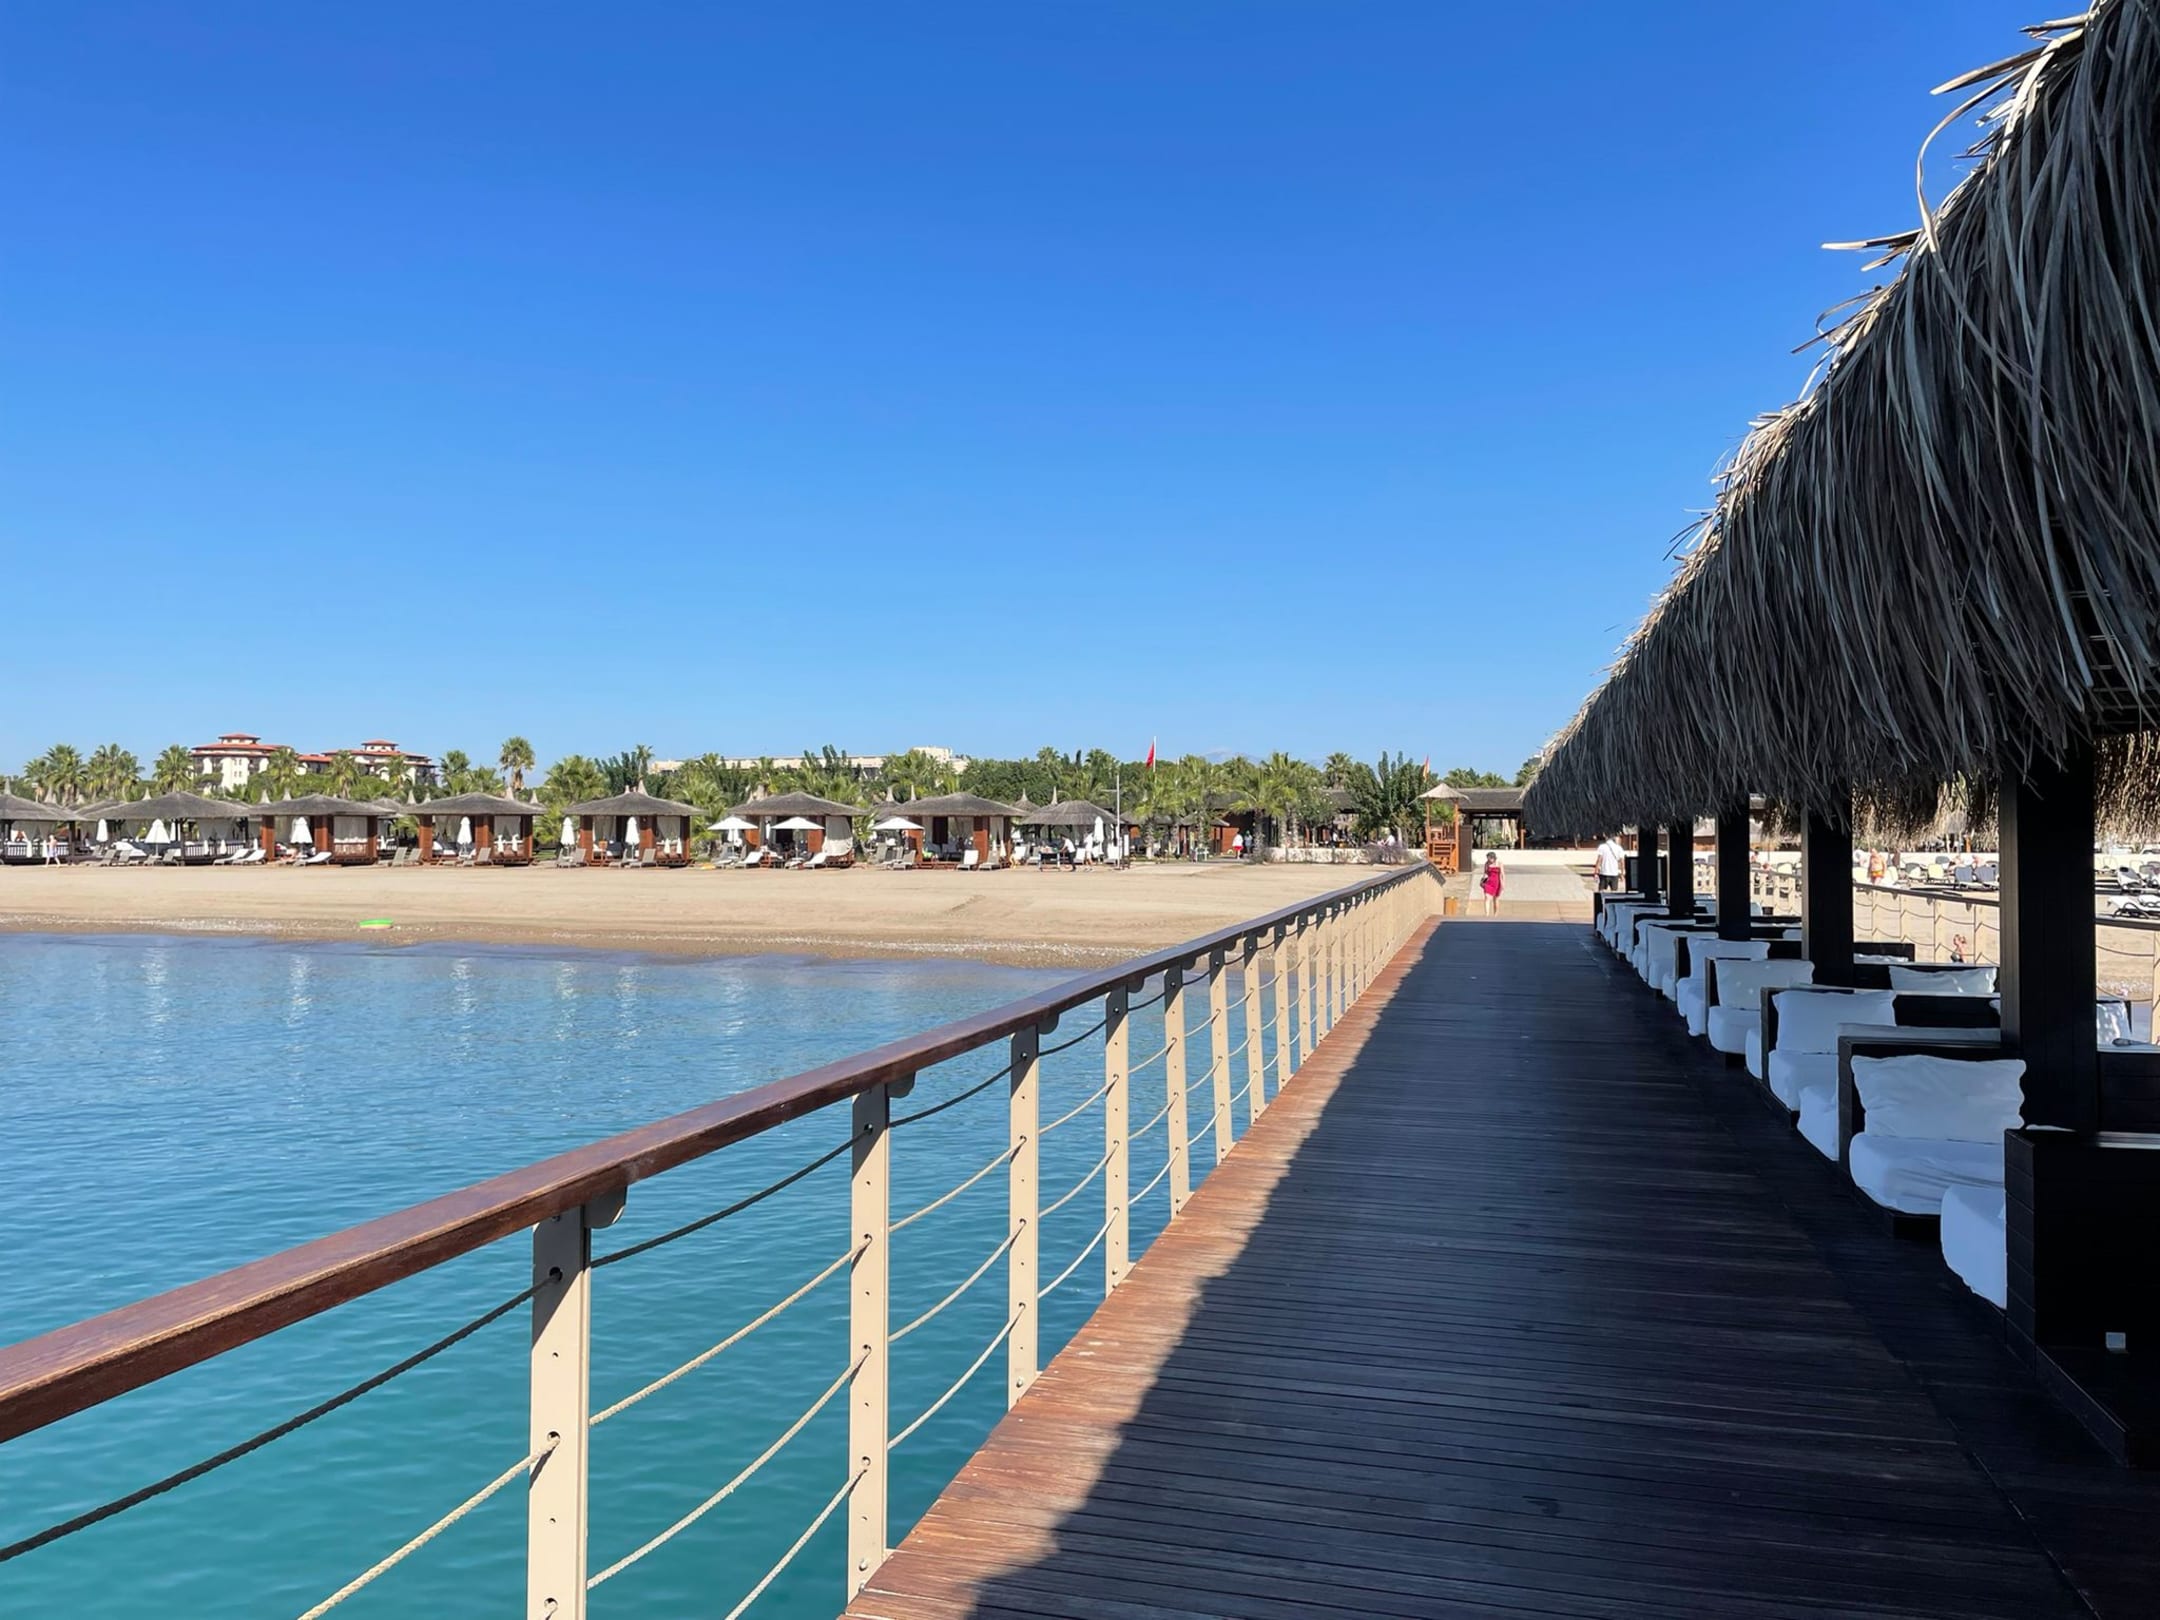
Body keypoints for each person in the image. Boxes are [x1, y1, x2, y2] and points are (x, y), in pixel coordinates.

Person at [1480, 852, 1505, 916]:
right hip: (1489, 882)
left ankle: (1495, 915)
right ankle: (1487, 915)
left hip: (1497, 882)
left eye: (1489, 858)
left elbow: (1502, 874)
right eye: (1487, 858)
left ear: (1493, 858)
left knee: (1496, 899)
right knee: (1487, 897)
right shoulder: (1486, 864)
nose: (1488, 860)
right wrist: (1482, 880)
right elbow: (1485, 873)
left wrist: (1503, 883)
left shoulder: (1499, 863)